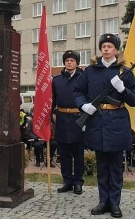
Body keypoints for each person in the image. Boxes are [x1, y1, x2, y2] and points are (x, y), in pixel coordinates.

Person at [74, 34, 135, 218]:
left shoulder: (124, 72)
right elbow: (78, 91)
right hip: (97, 120)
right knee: (102, 166)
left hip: (117, 121)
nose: (106, 49)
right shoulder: (90, 71)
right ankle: (103, 201)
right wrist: (83, 105)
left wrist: (122, 90)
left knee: (116, 167)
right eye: (103, 46)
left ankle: (115, 203)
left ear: (116, 50)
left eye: (110, 46)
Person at [52, 50, 84, 195]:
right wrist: (52, 113)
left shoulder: (83, 78)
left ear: (77, 62)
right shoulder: (56, 80)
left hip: (78, 118)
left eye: (72, 60)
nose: (69, 63)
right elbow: (52, 99)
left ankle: (78, 182)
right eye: (67, 60)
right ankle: (67, 181)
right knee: (63, 154)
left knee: (78, 154)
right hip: (62, 119)